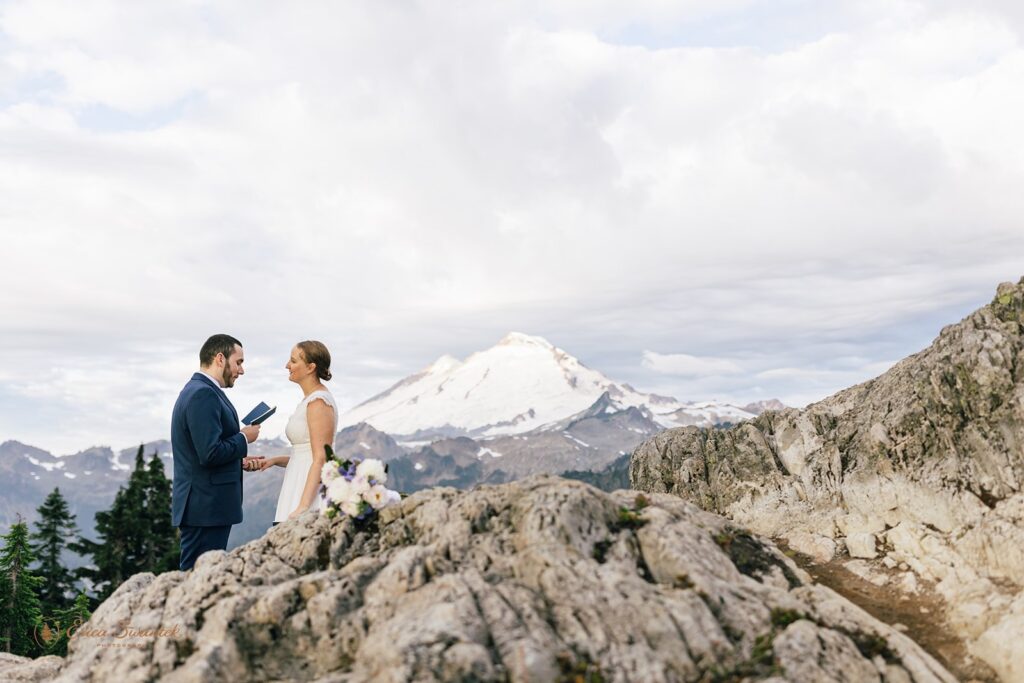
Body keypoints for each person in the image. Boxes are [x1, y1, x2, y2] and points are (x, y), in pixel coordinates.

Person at [171, 334, 264, 571]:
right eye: (239, 362)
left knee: (200, 578)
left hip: (207, 508)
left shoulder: (201, 391)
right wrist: (244, 438)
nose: (241, 370)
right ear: (220, 359)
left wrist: (238, 459)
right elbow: (209, 453)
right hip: (205, 509)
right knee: (196, 579)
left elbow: (205, 450)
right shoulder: (203, 394)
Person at [257, 340, 338, 524]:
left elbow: (321, 458)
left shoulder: (319, 402)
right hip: (296, 483)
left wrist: (303, 506)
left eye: (293, 361)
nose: (287, 365)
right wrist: (274, 460)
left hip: (307, 492)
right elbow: (305, 454)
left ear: (310, 367)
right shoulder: (309, 400)